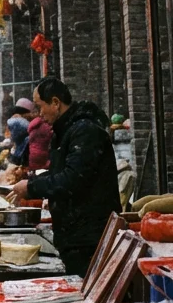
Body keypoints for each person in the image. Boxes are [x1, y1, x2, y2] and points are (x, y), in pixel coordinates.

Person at [11, 77, 120, 277]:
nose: (39, 114)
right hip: (74, 233)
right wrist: (33, 180)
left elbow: (73, 179)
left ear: (55, 102)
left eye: (40, 106)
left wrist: (32, 187)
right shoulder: (65, 131)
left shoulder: (84, 132)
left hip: (89, 236)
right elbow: (59, 173)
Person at [28, 106, 53, 172]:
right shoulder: (44, 126)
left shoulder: (33, 125)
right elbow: (50, 135)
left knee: (34, 171)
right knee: (41, 172)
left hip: (32, 153)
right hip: (42, 153)